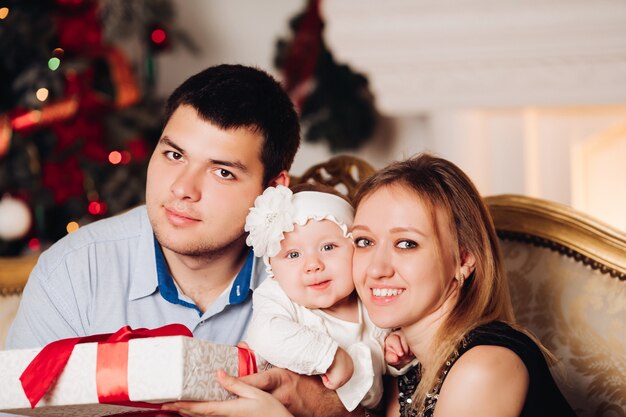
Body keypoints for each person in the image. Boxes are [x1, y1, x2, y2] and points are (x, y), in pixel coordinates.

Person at [6, 64, 362, 417]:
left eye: (222, 172)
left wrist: (318, 404)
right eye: (174, 155)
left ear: (272, 190)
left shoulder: (324, 270)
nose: (182, 189)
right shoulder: (73, 270)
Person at [350, 153, 577, 417]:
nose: (376, 269)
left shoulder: (483, 369)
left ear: (464, 259)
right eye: (364, 242)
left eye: (406, 243)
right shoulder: (401, 366)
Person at [244, 183, 386, 412]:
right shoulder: (277, 295)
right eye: (293, 254)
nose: (312, 265)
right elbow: (264, 333)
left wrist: (396, 356)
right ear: (273, 269)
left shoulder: (369, 299)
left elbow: (383, 370)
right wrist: (328, 355)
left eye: (328, 247)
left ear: (356, 249)